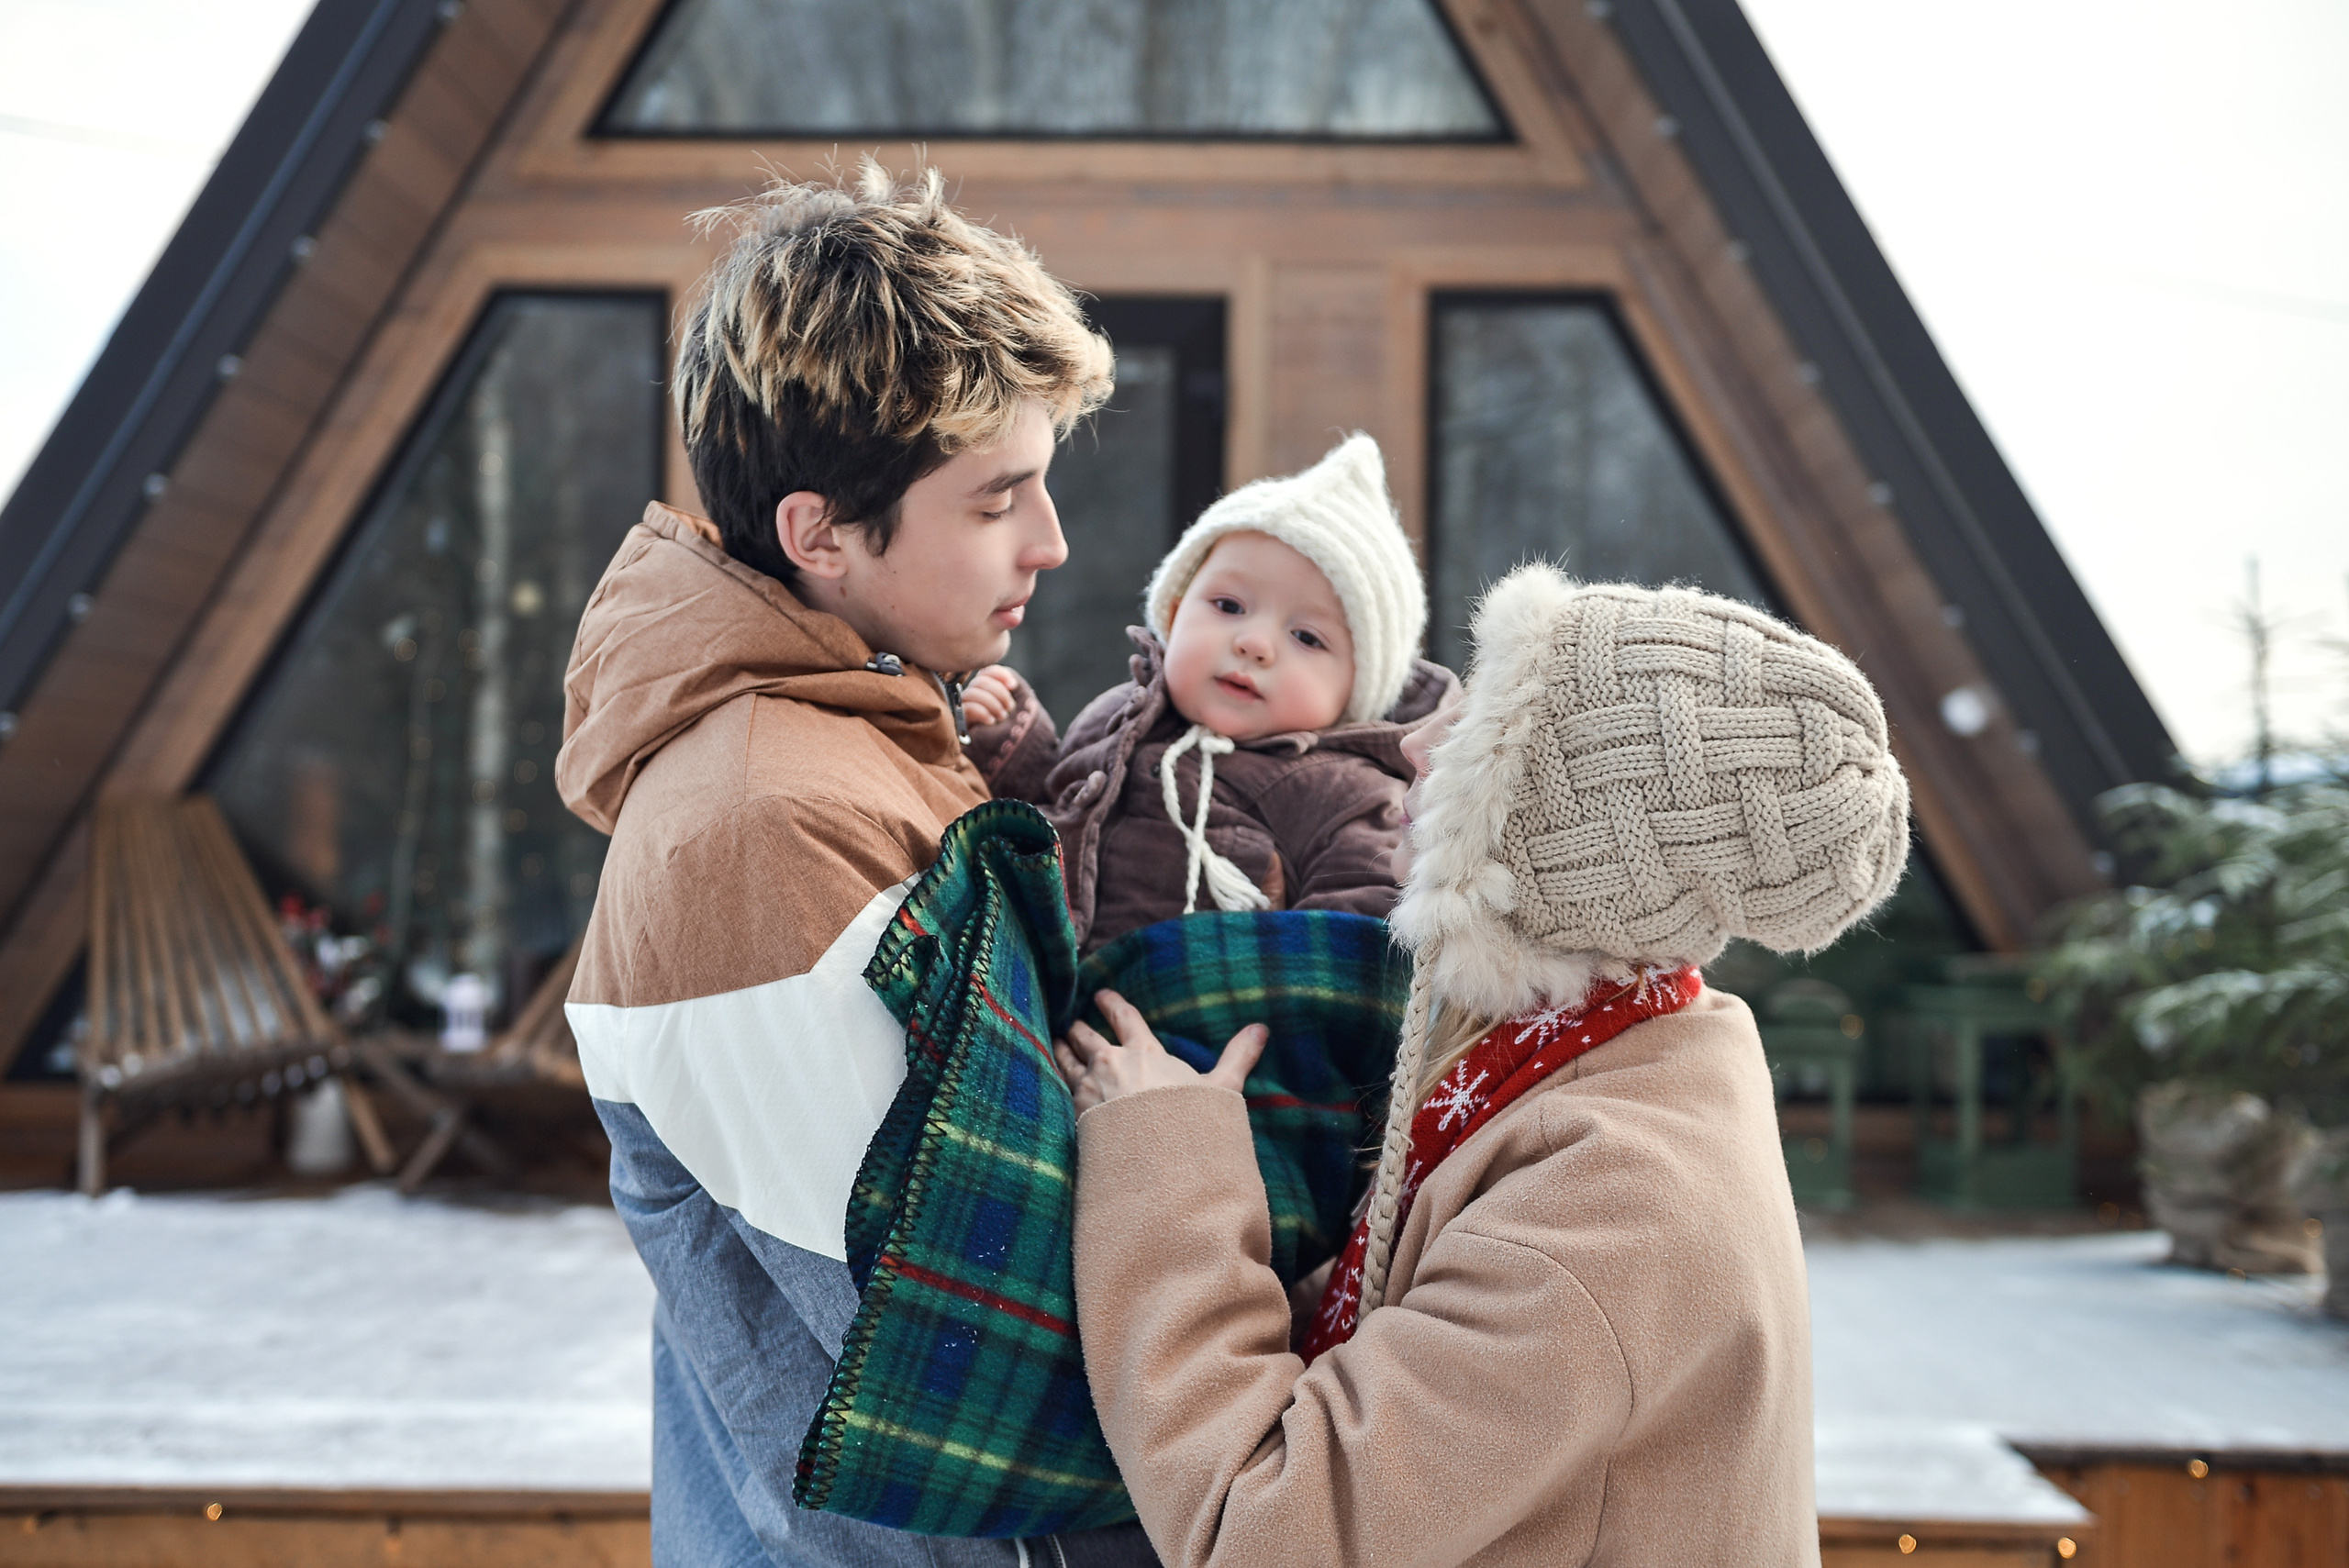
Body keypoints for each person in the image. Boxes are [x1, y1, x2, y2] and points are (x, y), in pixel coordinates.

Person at [1055, 564, 1913, 1566]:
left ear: (1554, 834)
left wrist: (1166, 1160)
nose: (1413, 744)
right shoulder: (1616, 1045)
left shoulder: (1614, 1204)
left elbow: (1265, 1528)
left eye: (1474, 737)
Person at [555, 165, 1152, 1566]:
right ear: (820, 533)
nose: (1051, 545)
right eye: (998, 498)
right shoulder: (764, 829)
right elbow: (963, 1356)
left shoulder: (868, 741)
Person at [961, 432, 1456, 951]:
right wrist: (1011, 742)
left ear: (1358, 692)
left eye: (1307, 637)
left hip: (1210, 1013)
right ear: (1174, 612)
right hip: (1049, 1000)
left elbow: (1358, 928)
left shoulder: (1347, 795)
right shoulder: (1115, 714)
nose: (1253, 643)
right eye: (1228, 606)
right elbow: (1051, 809)